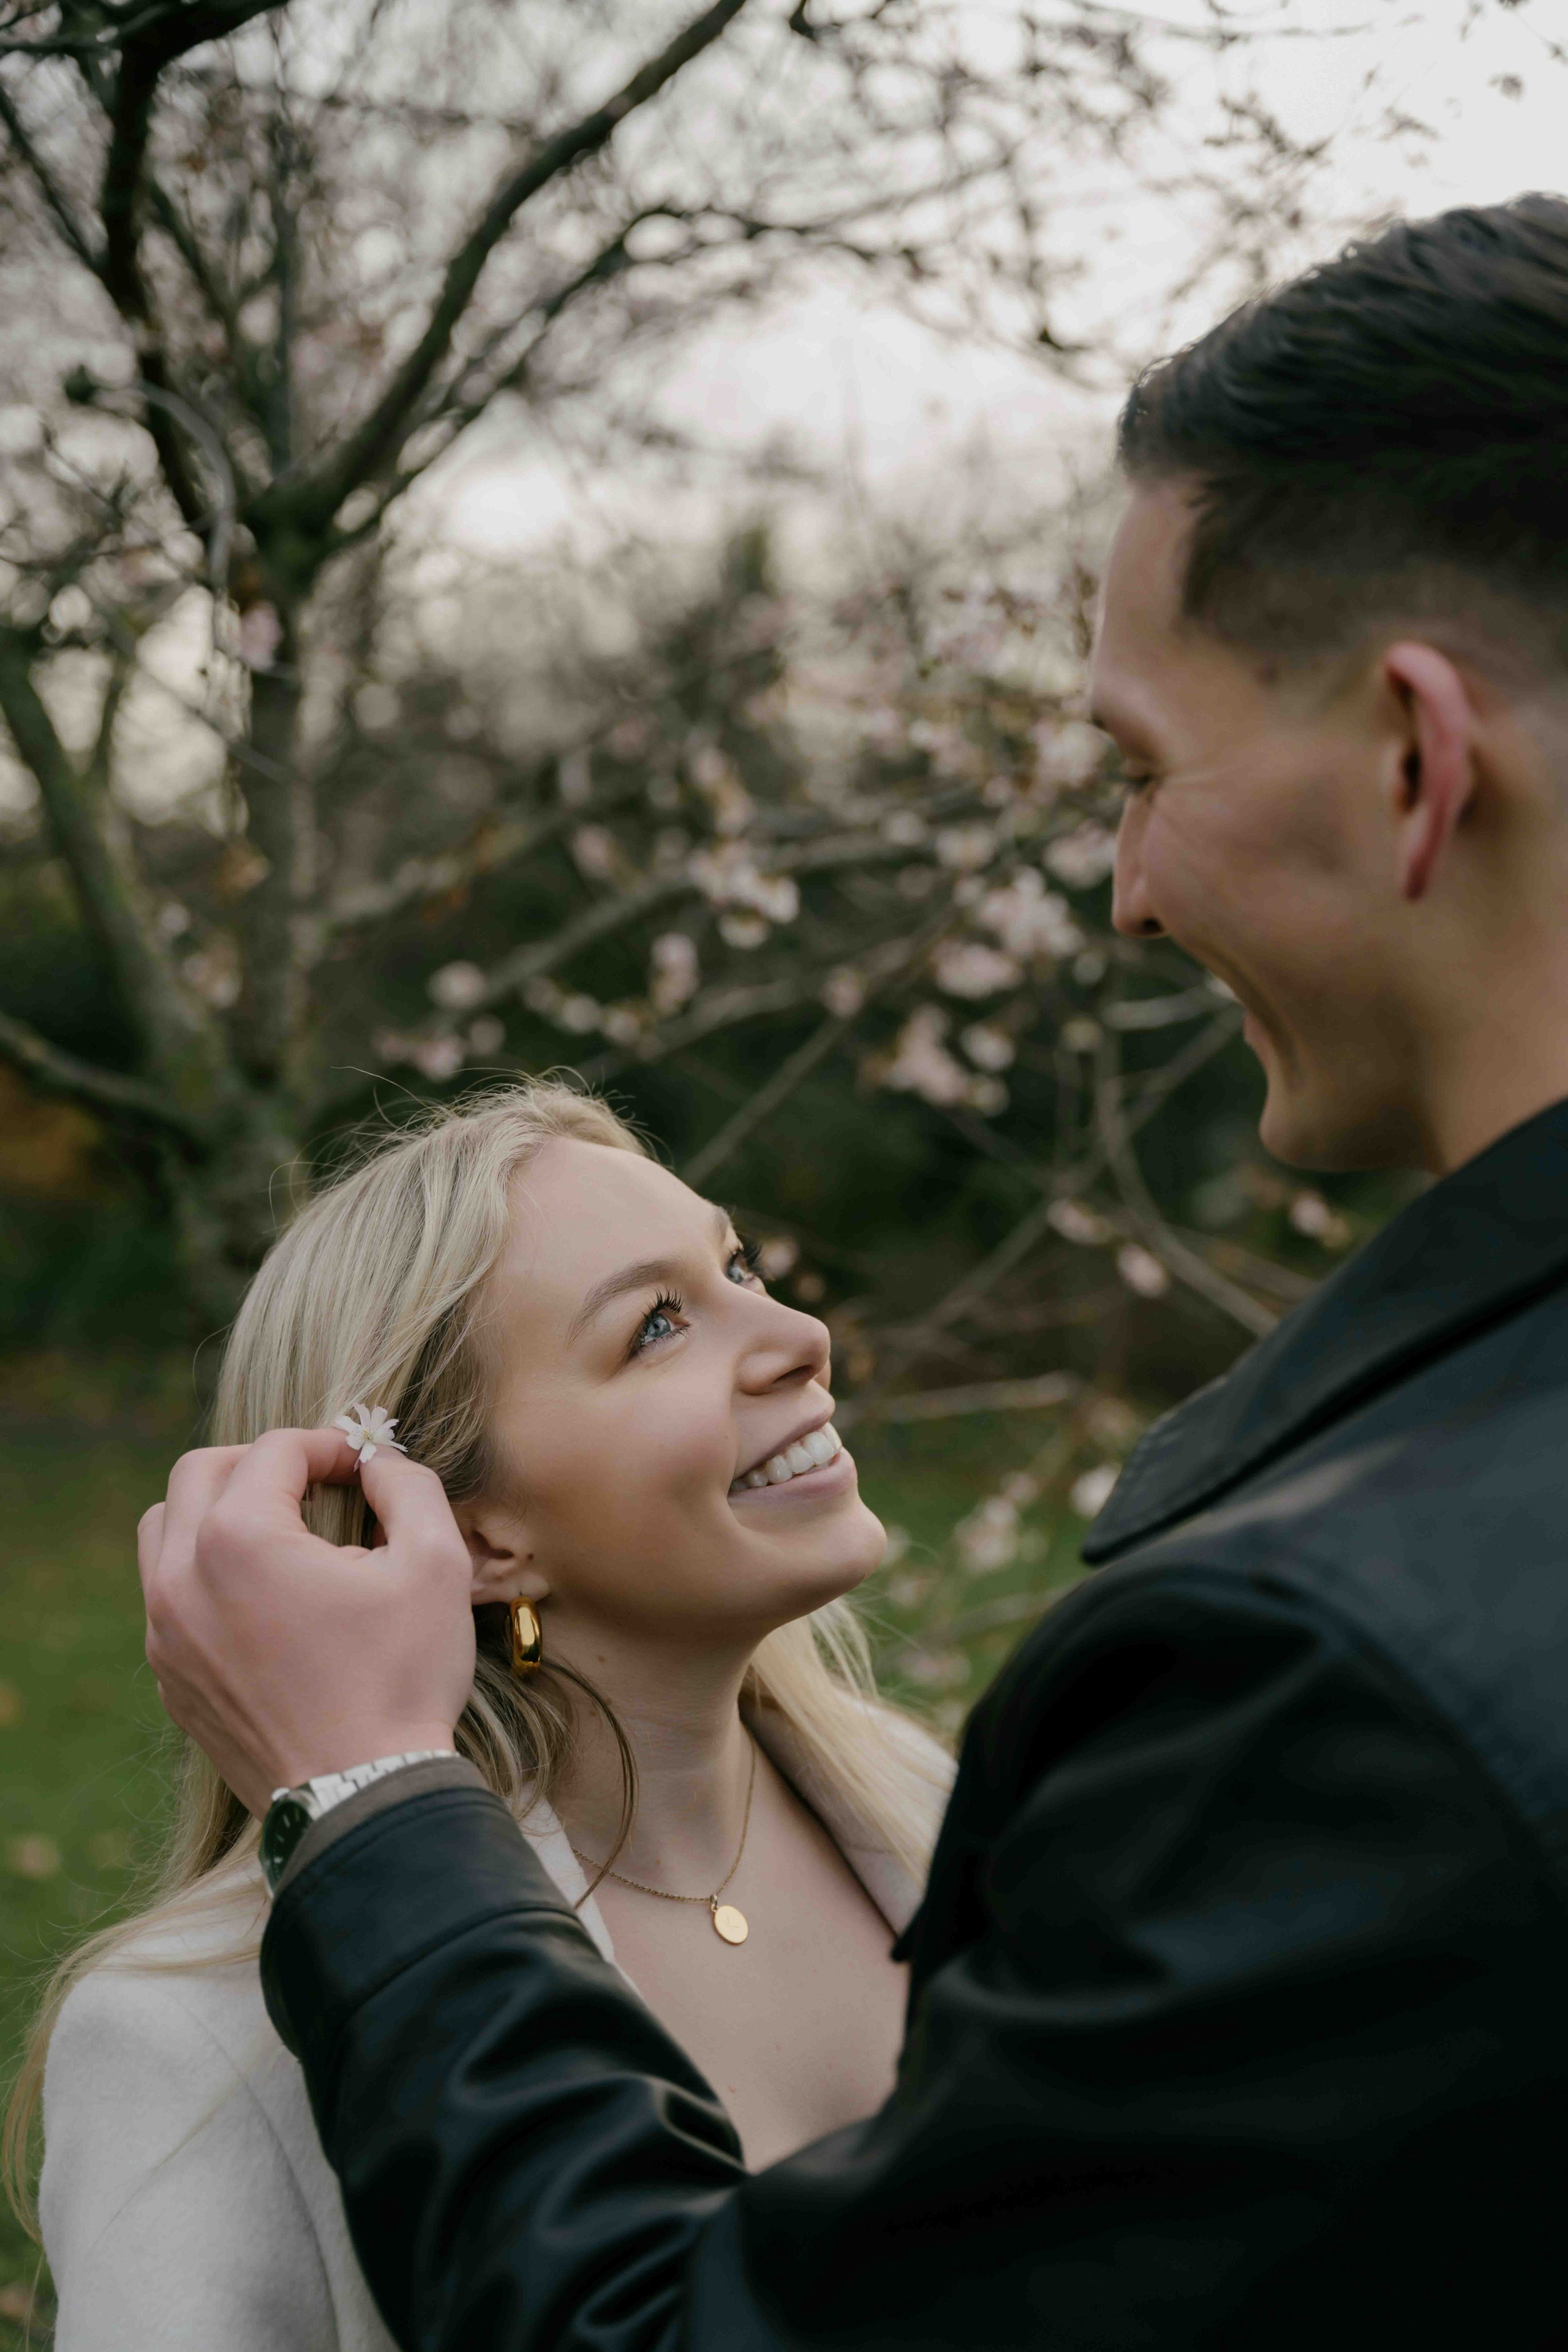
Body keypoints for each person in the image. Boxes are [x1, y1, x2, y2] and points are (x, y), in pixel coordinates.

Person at [140, 191, 1568, 2349]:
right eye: (654, 1313)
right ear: (452, 1501)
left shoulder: (1324, 1688)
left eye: (1137, 773)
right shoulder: (193, 2053)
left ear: (1412, 760)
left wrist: (363, 1802)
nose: (1125, 895)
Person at [15, 1084, 952, 2348]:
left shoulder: (934, 1810)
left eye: (738, 1266)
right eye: (660, 1325)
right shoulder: (203, 2045)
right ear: (469, 1534)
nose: (795, 1334)